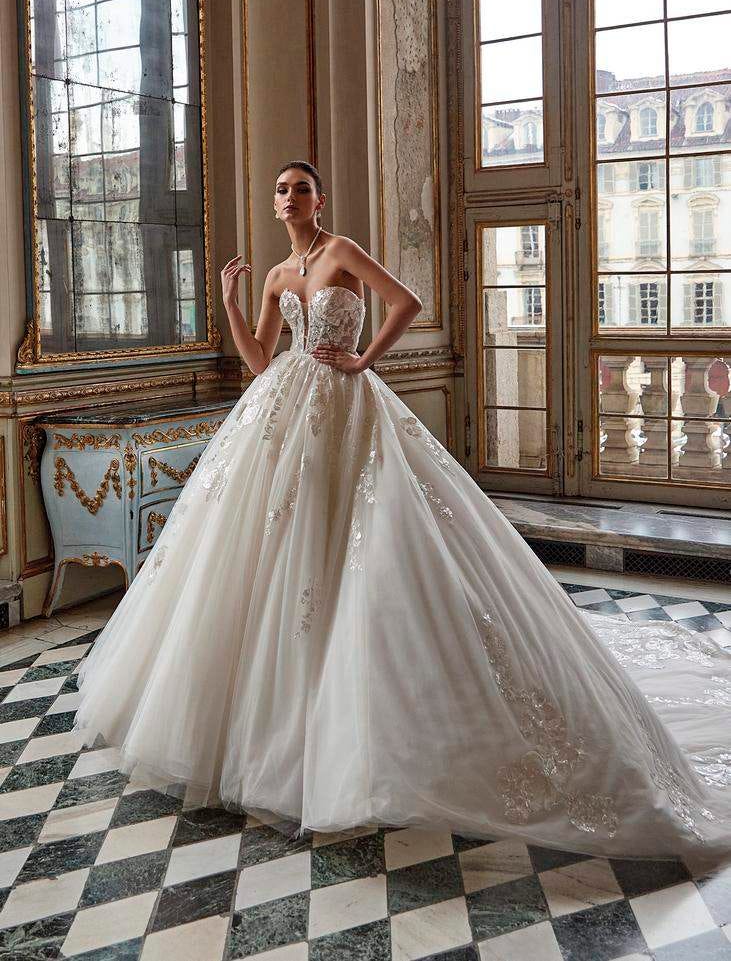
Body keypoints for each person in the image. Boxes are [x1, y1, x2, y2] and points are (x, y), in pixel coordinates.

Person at [74, 160, 731, 870]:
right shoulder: (272, 275)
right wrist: (231, 299)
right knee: (273, 548)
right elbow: (261, 360)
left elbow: (407, 300)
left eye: (298, 186)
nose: (287, 196)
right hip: (281, 409)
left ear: (319, 198)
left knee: (360, 536)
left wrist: (364, 360)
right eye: (279, 188)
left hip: (344, 403)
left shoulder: (341, 251)